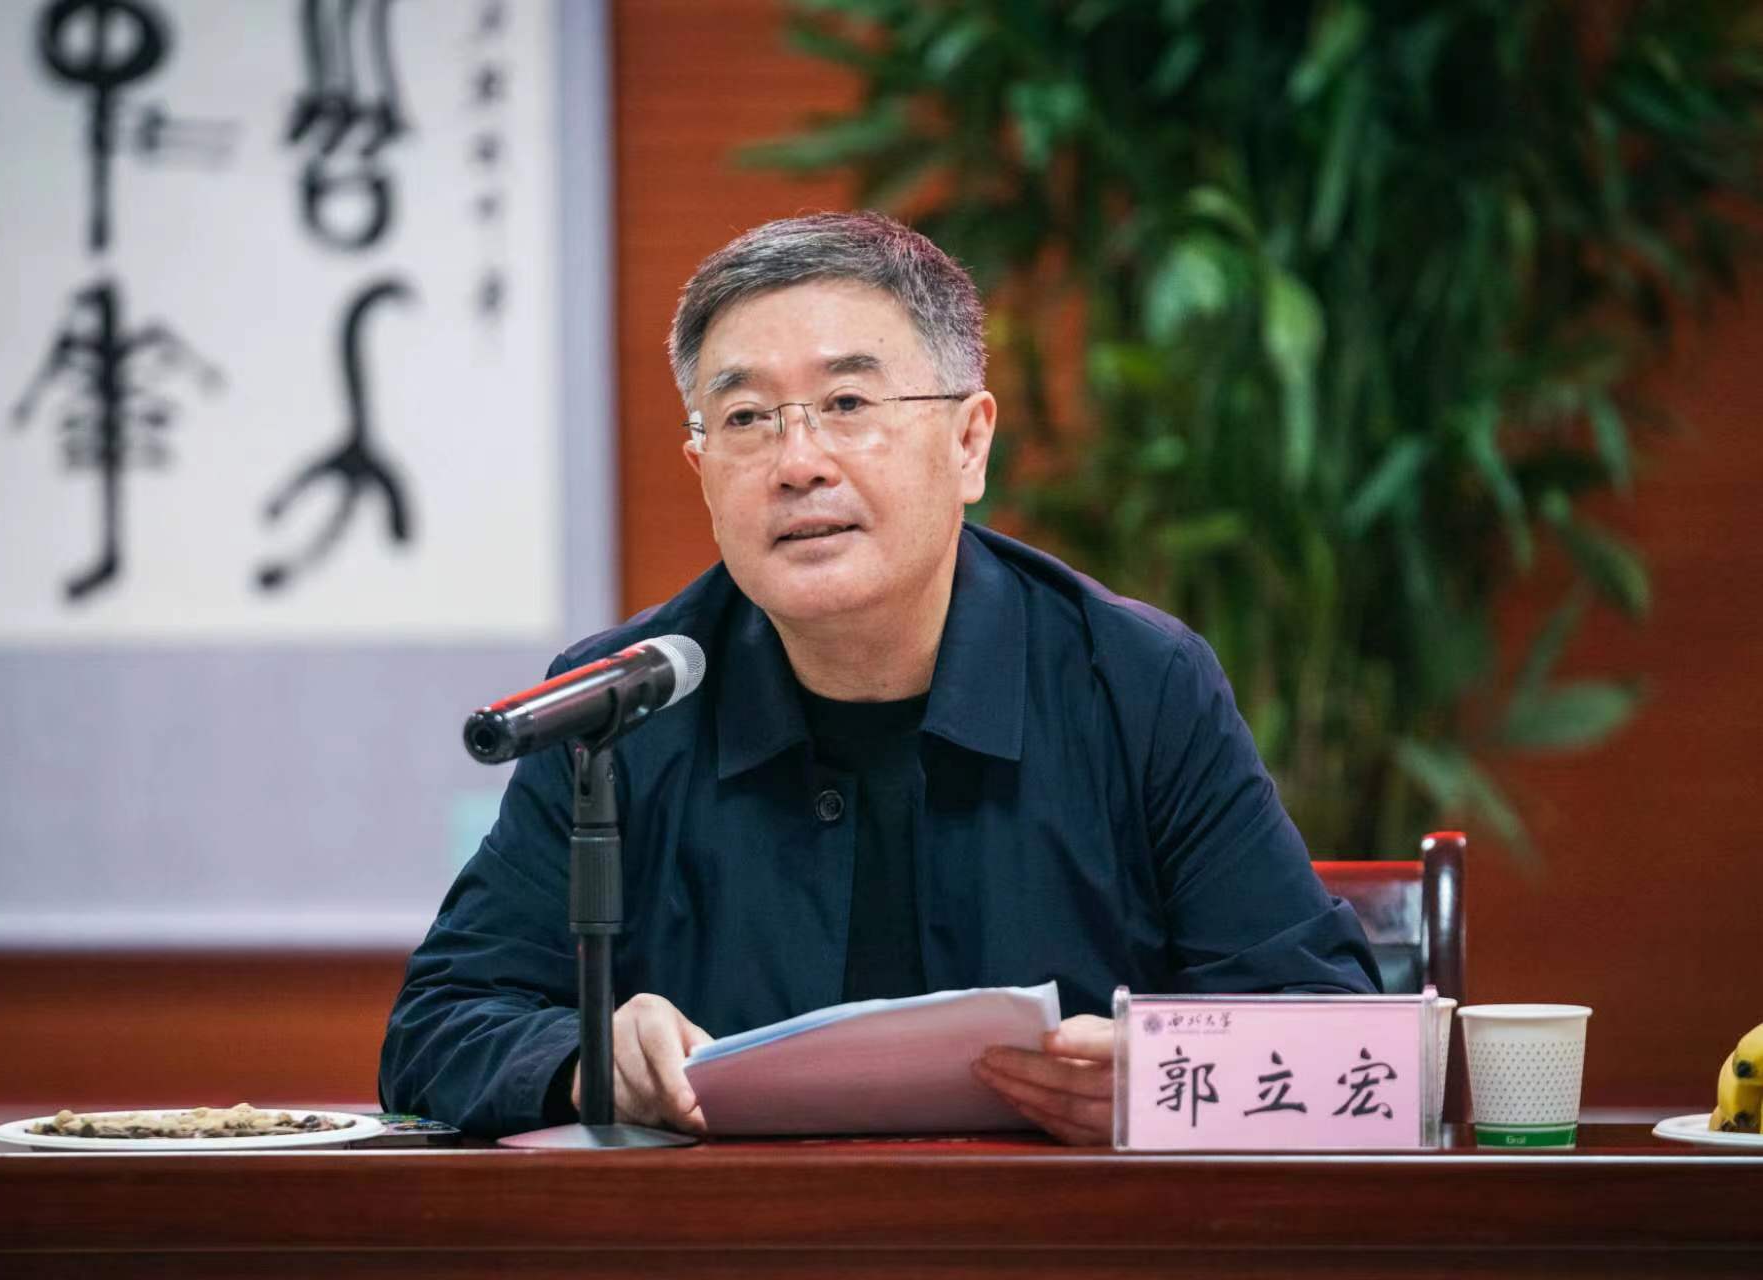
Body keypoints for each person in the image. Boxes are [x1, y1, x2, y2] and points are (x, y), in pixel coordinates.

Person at [380, 211, 1379, 1145]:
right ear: (702, 473)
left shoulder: (1135, 683)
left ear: (969, 442)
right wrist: (587, 1059)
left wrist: (1162, 1080)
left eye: (848, 404)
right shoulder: (622, 705)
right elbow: (439, 1024)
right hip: (731, 1244)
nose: (797, 462)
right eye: (746, 417)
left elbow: (1335, 1033)